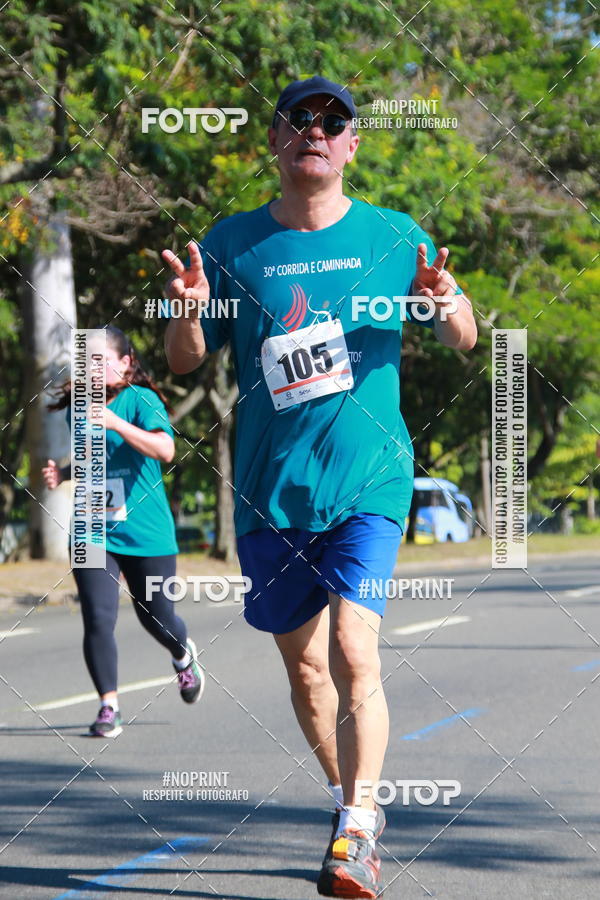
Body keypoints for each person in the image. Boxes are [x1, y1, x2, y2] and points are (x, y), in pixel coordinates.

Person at [162, 76, 477, 898]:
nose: (315, 130)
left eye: (332, 121)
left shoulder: (392, 235)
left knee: (352, 648)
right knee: (306, 676)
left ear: (352, 145)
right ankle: (357, 809)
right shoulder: (230, 245)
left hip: (370, 479)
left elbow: (465, 330)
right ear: (274, 141)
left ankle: (353, 831)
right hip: (270, 492)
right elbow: (184, 360)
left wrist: (443, 303)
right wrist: (189, 311)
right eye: (298, 119)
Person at [42, 325, 204, 738]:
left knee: (156, 617)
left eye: (101, 361)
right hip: (91, 525)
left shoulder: (142, 400)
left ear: (126, 363)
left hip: (145, 530)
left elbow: (166, 449)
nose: (91, 370)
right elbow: (91, 461)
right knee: (97, 617)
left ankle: (183, 654)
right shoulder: (79, 407)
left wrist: (116, 423)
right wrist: (62, 473)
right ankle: (108, 706)